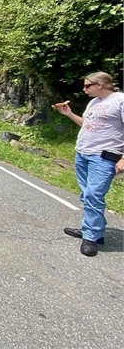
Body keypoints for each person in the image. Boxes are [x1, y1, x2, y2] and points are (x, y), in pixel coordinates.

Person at [55, 72, 124, 257]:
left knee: (94, 195)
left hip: (103, 157)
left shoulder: (119, 100)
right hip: (83, 154)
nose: (84, 89)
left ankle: (91, 237)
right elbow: (87, 124)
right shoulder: (94, 102)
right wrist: (69, 114)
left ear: (100, 84)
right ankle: (95, 231)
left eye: (87, 86)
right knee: (87, 195)